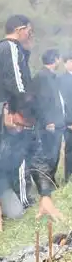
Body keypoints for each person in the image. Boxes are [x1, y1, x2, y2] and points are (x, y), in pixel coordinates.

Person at [0, 94, 62, 232]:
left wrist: (45, 194)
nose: (19, 130)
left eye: (25, 127)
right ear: (8, 110)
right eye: (16, 124)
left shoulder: (29, 126)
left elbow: (37, 160)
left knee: (16, 213)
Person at [30, 49, 64, 181]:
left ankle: (50, 180)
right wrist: (48, 121)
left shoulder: (51, 76)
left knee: (54, 153)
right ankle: (46, 181)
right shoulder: (43, 76)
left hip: (57, 122)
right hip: (49, 123)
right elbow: (42, 101)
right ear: (55, 59)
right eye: (58, 58)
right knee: (49, 153)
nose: (59, 61)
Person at [0, 15, 33, 106]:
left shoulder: (2, 47)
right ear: (19, 30)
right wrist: (26, 102)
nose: (30, 36)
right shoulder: (10, 46)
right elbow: (14, 80)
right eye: (29, 32)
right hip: (9, 107)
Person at [60, 52, 72, 182]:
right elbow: (64, 103)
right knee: (70, 150)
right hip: (69, 122)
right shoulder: (61, 80)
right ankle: (69, 178)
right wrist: (69, 121)